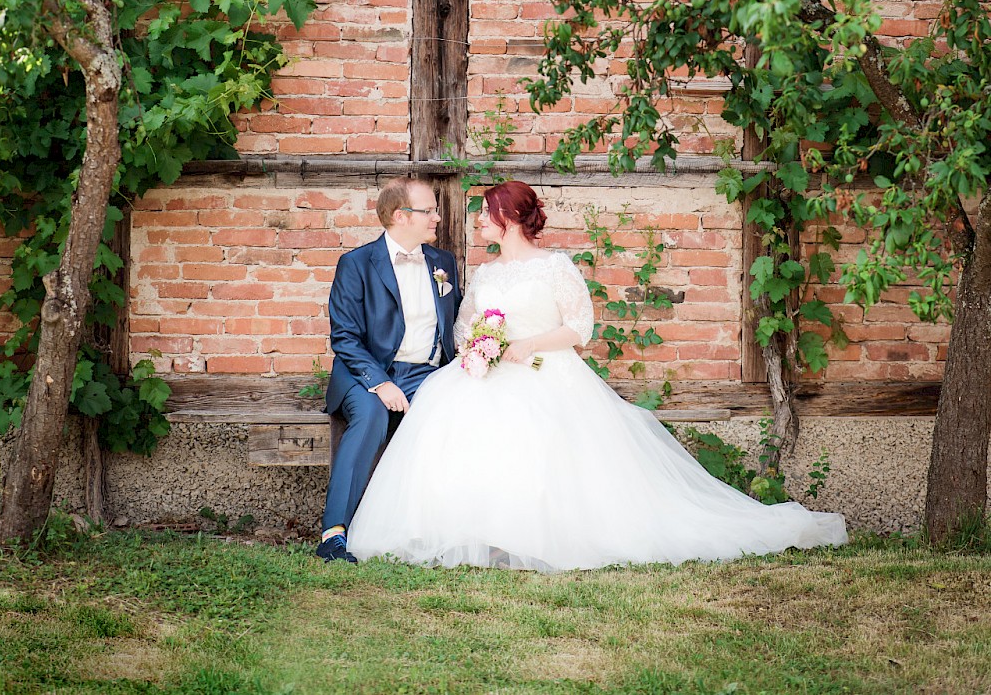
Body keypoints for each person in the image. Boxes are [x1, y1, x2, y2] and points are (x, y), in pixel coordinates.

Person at [345, 180, 848, 571]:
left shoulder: (555, 266)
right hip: (489, 370)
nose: (477, 222)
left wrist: (525, 345)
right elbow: (462, 326)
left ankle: (543, 534)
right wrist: (481, 348)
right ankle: (483, 534)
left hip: (546, 368)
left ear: (510, 218)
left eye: (486, 215)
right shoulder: (484, 274)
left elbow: (579, 328)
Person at [316, 176, 462, 563]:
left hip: (426, 374)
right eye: (429, 210)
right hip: (366, 372)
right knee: (371, 416)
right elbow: (345, 337)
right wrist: (380, 383)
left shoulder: (442, 263)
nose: (437, 217)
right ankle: (333, 535)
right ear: (401, 215)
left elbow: (456, 323)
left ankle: (440, 533)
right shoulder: (357, 263)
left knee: (457, 416)